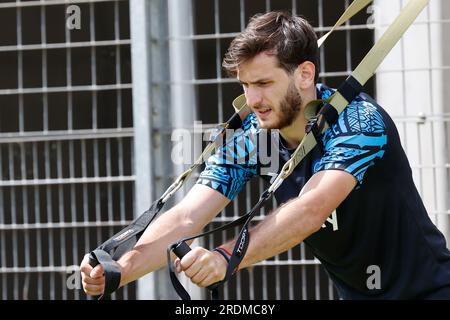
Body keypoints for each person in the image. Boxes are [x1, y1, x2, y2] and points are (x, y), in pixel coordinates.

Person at [80, 11, 450, 299]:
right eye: (245, 84)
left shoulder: (359, 122)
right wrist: (116, 271)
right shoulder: (256, 138)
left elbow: (310, 209)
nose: (252, 100)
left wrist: (226, 258)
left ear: (305, 74)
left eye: (263, 83)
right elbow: (188, 215)